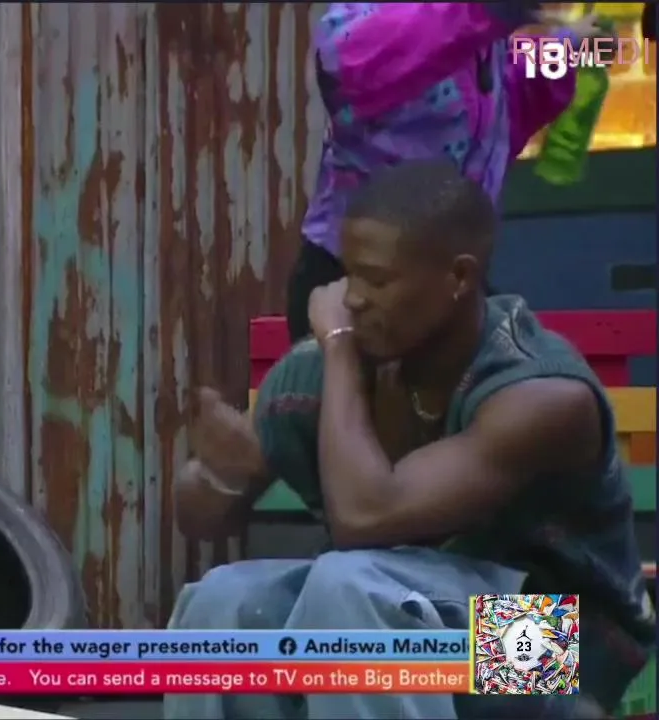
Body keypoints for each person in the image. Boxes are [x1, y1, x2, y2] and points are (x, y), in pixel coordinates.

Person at [167, 161, 654, 719]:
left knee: (349, 588)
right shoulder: (317, 372)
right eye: (349, 276)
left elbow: (366, 517)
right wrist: (220, 479)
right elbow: (201, 516)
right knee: (224, 600)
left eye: (377, 281)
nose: (352, 300)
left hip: (558, 651)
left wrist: (341, 354)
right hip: (397, 626)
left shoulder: (539, 394)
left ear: (459, 278)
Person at [286, 3, 605, 341]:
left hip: (450, 284)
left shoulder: (481, 38)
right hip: (359, 283)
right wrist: (484, 11)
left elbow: (502, 119)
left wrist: (565, 49)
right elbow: (352, 61)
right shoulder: (370, 15)